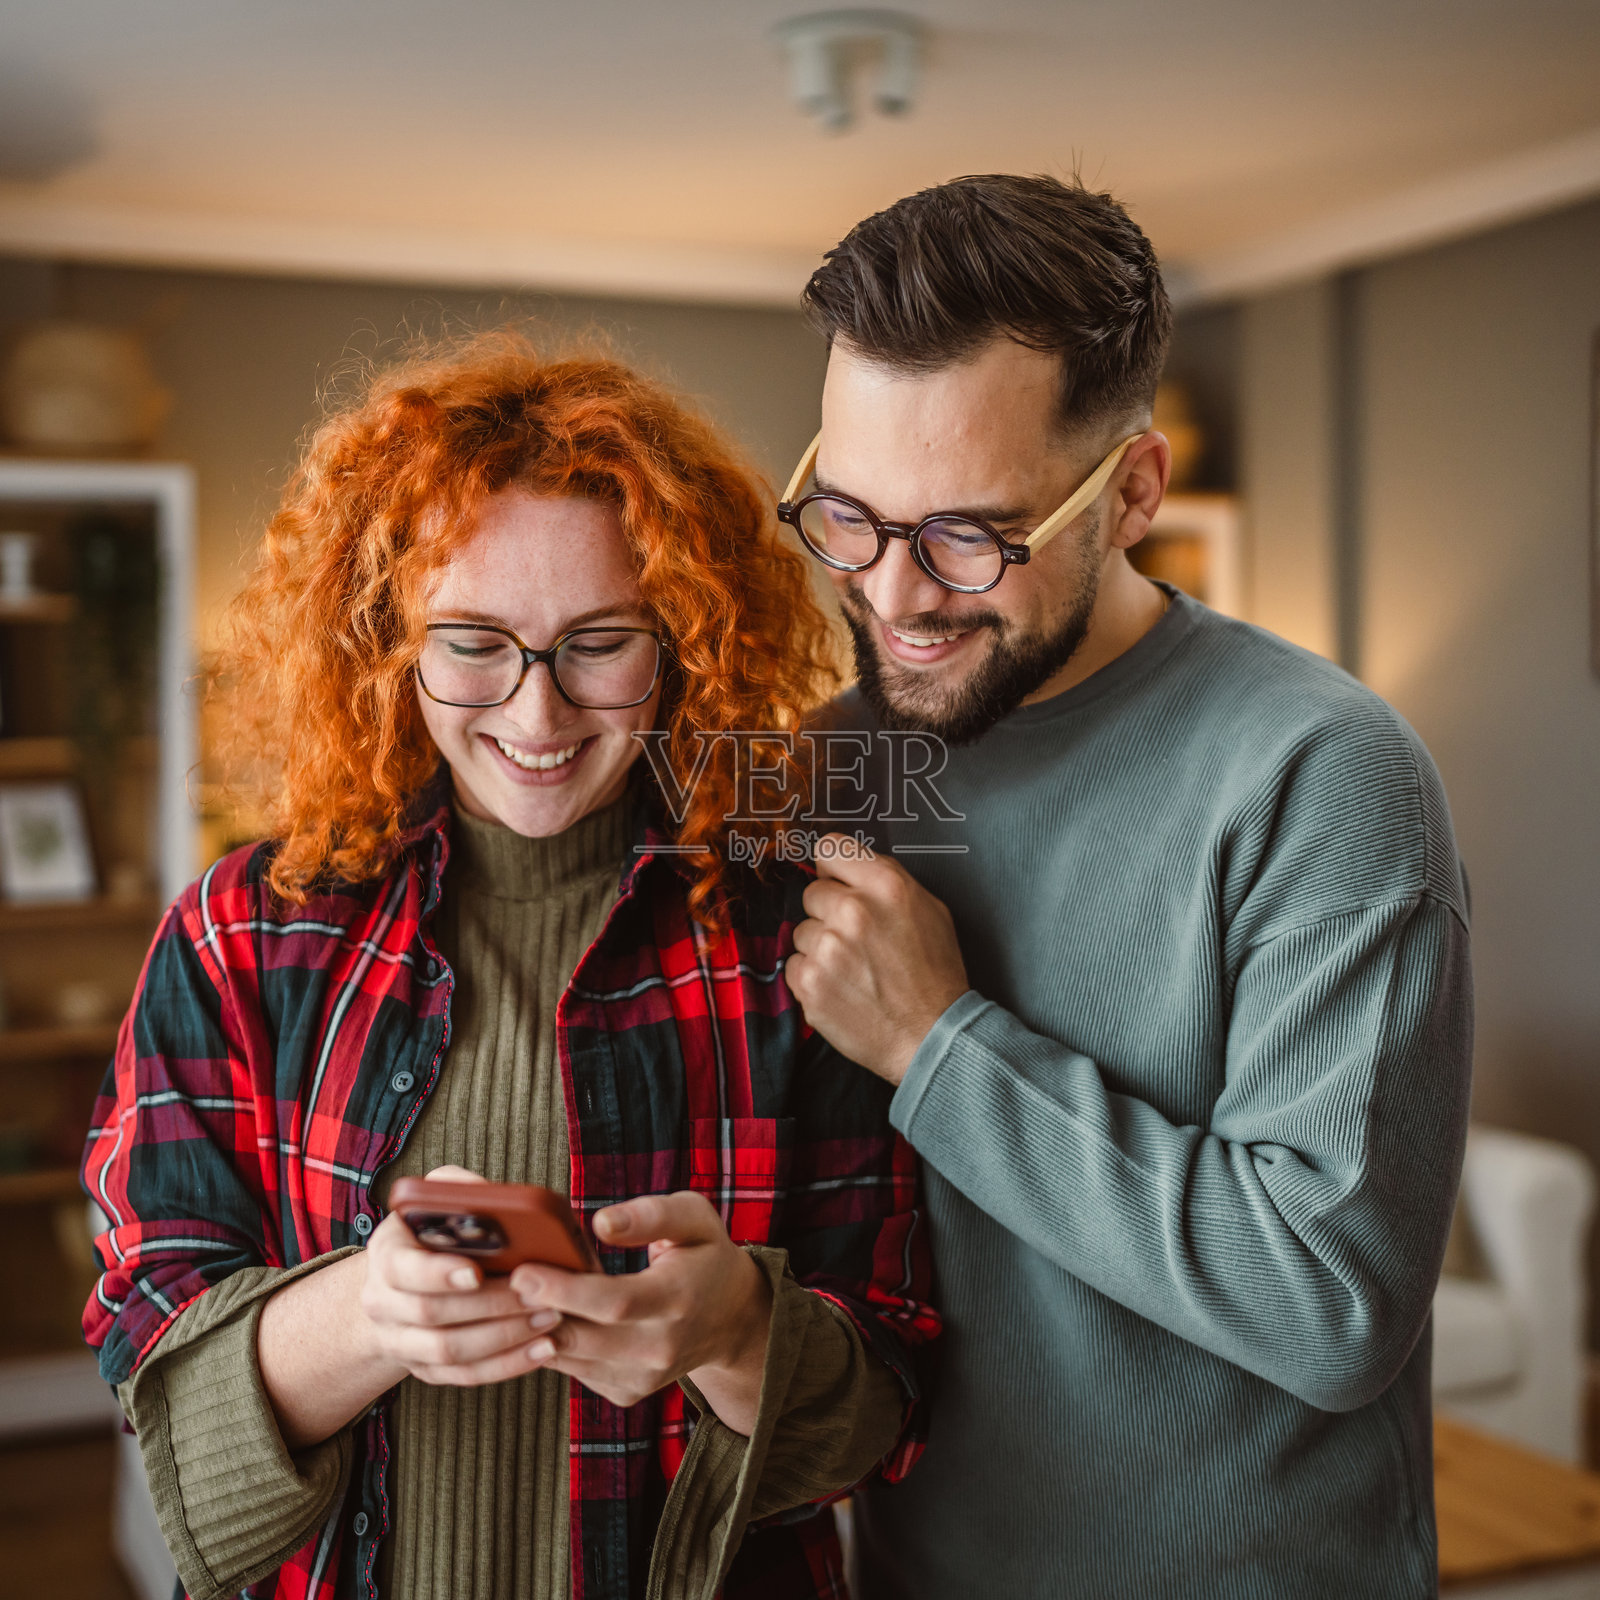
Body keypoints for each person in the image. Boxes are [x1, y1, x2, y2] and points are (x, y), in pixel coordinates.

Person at [81, 335, 937, 1600]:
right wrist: (374, 1312)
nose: (536, 717)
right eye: (472, 642)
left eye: (600, 643)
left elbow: (889, 1403)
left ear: (684, 642)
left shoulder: (796, 940)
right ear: (384, 641)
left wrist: (737, 1331)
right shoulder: (241, 934)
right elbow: (159, 1366)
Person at [780, 174, 1473, 1597]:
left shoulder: (1320, 772)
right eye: (848, 516)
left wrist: (937, 1042)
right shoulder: (842, 761)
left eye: (969, 535)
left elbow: (1329, 1300)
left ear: (1135, 493)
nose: (896, 599)